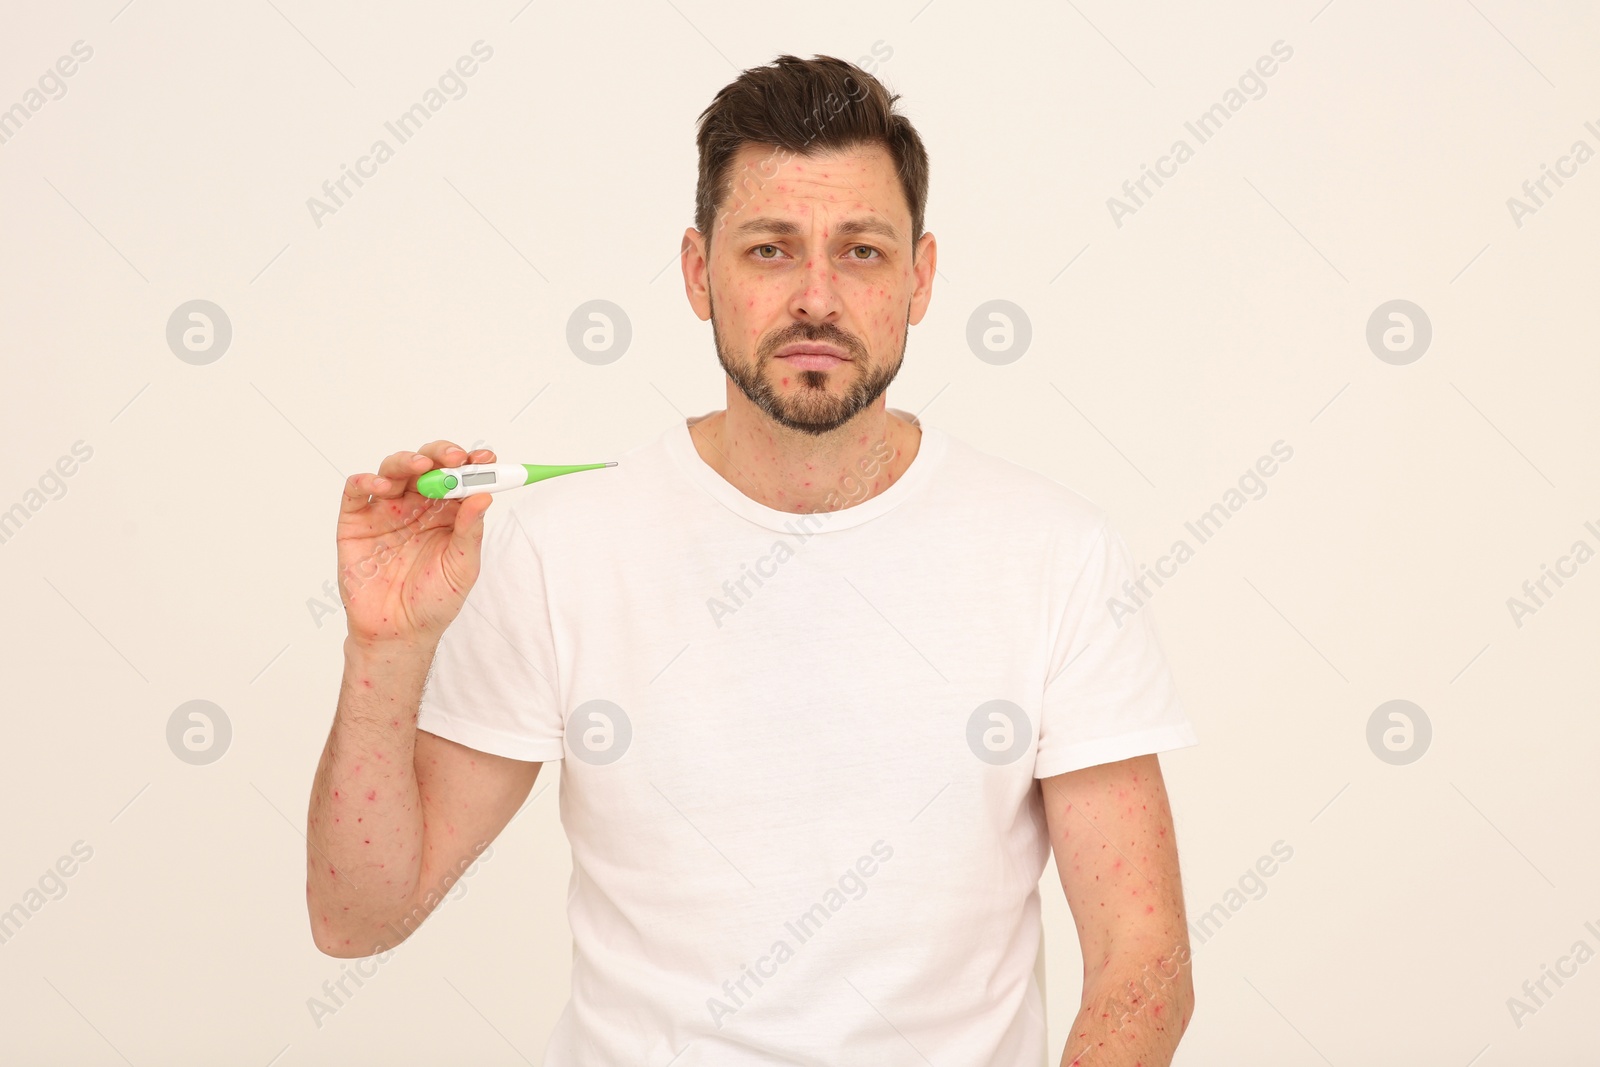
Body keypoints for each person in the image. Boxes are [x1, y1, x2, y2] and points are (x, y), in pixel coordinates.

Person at [306, 53, 1199, 1067]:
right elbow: (356, 917)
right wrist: (384, 651)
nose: (816, 297)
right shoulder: (564, 544)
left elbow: (1144, 958)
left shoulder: (1055, 554)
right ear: (699, 272)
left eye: (861, 252)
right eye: (770, 249)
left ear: (921, 276)